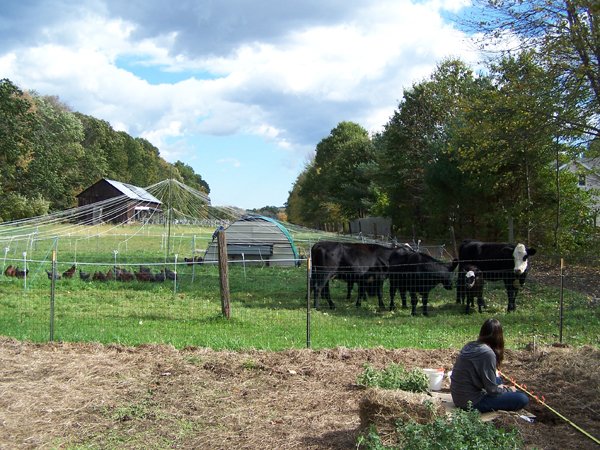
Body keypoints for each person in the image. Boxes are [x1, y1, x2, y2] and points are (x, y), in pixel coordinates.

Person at [450, 318, 529, 413]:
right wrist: (508, 390)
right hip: (471, 402)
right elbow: (492, 390)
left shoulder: (470, 345)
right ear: (499, 337)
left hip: (458, 397)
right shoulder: (487, 353)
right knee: (522, 398)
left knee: (498, 379)